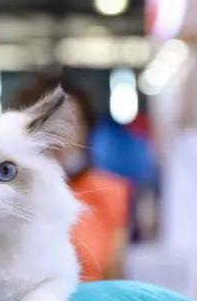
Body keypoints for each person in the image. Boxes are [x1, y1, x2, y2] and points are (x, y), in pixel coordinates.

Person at [14, 77, 131, 281]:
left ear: (87, 130)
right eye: (49, 126)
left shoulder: (110, 191)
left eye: (70, 124)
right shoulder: (6, 193)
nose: (60, 137)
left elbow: (115, 274)